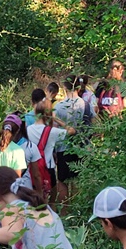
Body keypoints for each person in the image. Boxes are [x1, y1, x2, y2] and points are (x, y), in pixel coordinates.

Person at [25, 98, 76, 204]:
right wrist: (56, 119)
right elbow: (71, 131)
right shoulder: (52, 132)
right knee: (51, 203)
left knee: (36, 201)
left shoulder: (28, 130)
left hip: (33, 168)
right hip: (49, 168)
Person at [54, 75, 87, 207]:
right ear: (78, 87)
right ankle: (77, 208)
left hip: (63, 147)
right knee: (75, 178)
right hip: (80, 146)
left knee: (62, 180)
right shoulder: (85, 104)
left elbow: (55, 129)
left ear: (64, 87)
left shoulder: (59, 107)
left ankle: (65, 210)